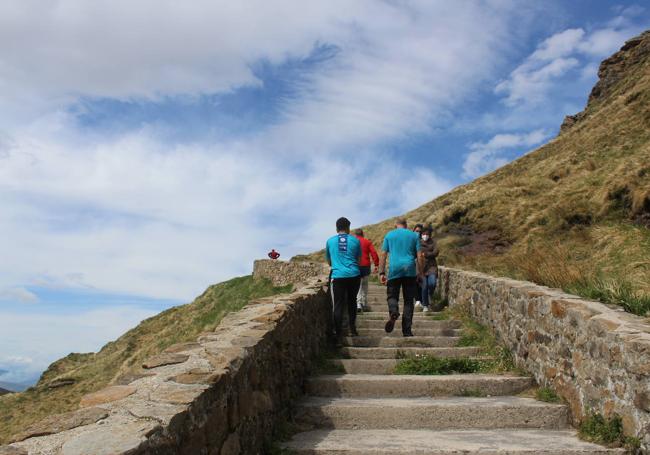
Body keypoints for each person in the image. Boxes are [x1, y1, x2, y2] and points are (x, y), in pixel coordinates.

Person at [378, 218, 423, 337]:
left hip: (394, 270)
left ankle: (394, 311)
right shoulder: (414, 236)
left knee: (392, 296)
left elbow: (383, 255)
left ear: (395, 225)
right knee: (409, 301)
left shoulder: (389, 235)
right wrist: (421, 273)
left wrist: (381, 272)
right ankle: (407, 331)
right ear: (406, 225)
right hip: (410, 270)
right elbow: (419, 256)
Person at [325, 217, 361, 347]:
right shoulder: (355, 241)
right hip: (354, 275)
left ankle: (338, 335)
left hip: (338, 276)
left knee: (338, 305)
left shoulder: (330, 241)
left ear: (336, 228)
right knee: (352, 302)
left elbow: (329, 261)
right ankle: (352, 329)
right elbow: (358, 258)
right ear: (348, 228)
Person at [354, 228, 379, 312]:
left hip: (355, 265)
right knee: (364, 284)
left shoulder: (353, 242)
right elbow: (374, 253)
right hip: (365, 266)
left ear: (356, 235)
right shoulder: (367, 242)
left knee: (357, 285)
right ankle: (364, 303)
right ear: (362, 234)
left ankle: (358, 304)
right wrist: (376, 264)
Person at [417, 226, 439, 313]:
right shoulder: (418, 243)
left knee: (432, 283)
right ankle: (425, 305)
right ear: (421, 234)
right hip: (421, 267)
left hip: (431, 267)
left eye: (427, 234)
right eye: (423, 234)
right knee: (424, 286)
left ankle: (430, 294)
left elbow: (436, 252)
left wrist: (426, 254)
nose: (425, 235)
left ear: (430, 235)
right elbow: (415, 253)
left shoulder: (433, 242)